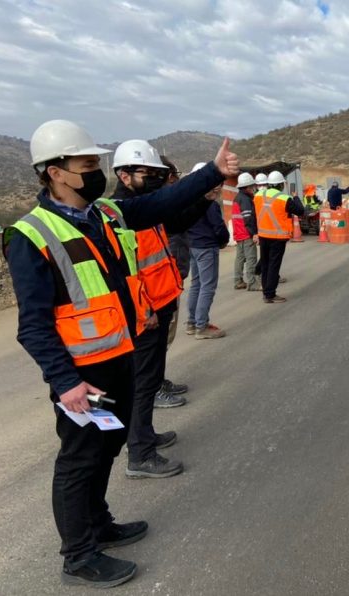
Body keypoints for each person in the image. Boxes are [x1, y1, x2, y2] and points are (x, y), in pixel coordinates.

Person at [3, 119, 238, 588]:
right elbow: (32, 326)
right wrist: (65, 382)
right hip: (81, 375)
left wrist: (212, 173)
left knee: (108, 447)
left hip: (118, 357)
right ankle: (79, 555)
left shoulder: (104, 214)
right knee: (80, 459)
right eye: (86, 163)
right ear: (54, 171)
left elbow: (160, 203)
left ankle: (100, 524)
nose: (96, 170)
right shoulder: (30, 235)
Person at [111, 140, 211, 480]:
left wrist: (204, 199)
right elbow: (124, 273)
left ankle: (146, 436)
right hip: (145, 314)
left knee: (150, 379)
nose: (156, 179)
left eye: (160, 174)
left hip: (160, 302)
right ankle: (140, 454)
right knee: (141, 385)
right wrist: (145, 311)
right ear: (125, 176)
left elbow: (177, 222)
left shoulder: (143, 207)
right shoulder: (119, 215)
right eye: (149, 173)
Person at [157, 156, 190, 404]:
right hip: (155, 291)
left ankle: (158, 379)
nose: (174, 181)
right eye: (171, 177)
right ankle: (152, 387)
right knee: (156, 342)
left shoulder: (162, 207)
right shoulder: (148, 208)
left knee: (165, 338)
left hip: (169, 282)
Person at [185, 163, 230, 338]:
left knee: (196, 284)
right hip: (206, 246)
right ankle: (201, 326)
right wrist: (224, 240)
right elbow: (217, 225)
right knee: (207, 286)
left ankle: (192, 322)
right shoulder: (208, 202)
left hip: (193, 245)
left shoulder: (188, 198)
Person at [254, 170, 304, 303]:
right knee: (274, 265)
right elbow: (300, 211)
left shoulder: (258, 195)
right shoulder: (284, 198)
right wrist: (296, 197)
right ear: (281, 185)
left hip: (263, 235)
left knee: (265, 264)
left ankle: (266, 292)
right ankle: (270, 294)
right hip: (278, 237)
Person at [232, 172, 260, 291]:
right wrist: (253, 233)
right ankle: (252, 284)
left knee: (240, 258)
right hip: (246, 234)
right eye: (252, 186)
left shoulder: (237, 198)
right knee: (251, 259)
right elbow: (248, 218)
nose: (253, 189)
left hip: (238, 234)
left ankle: (238, 281)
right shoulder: (246, 200)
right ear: (247, 187)